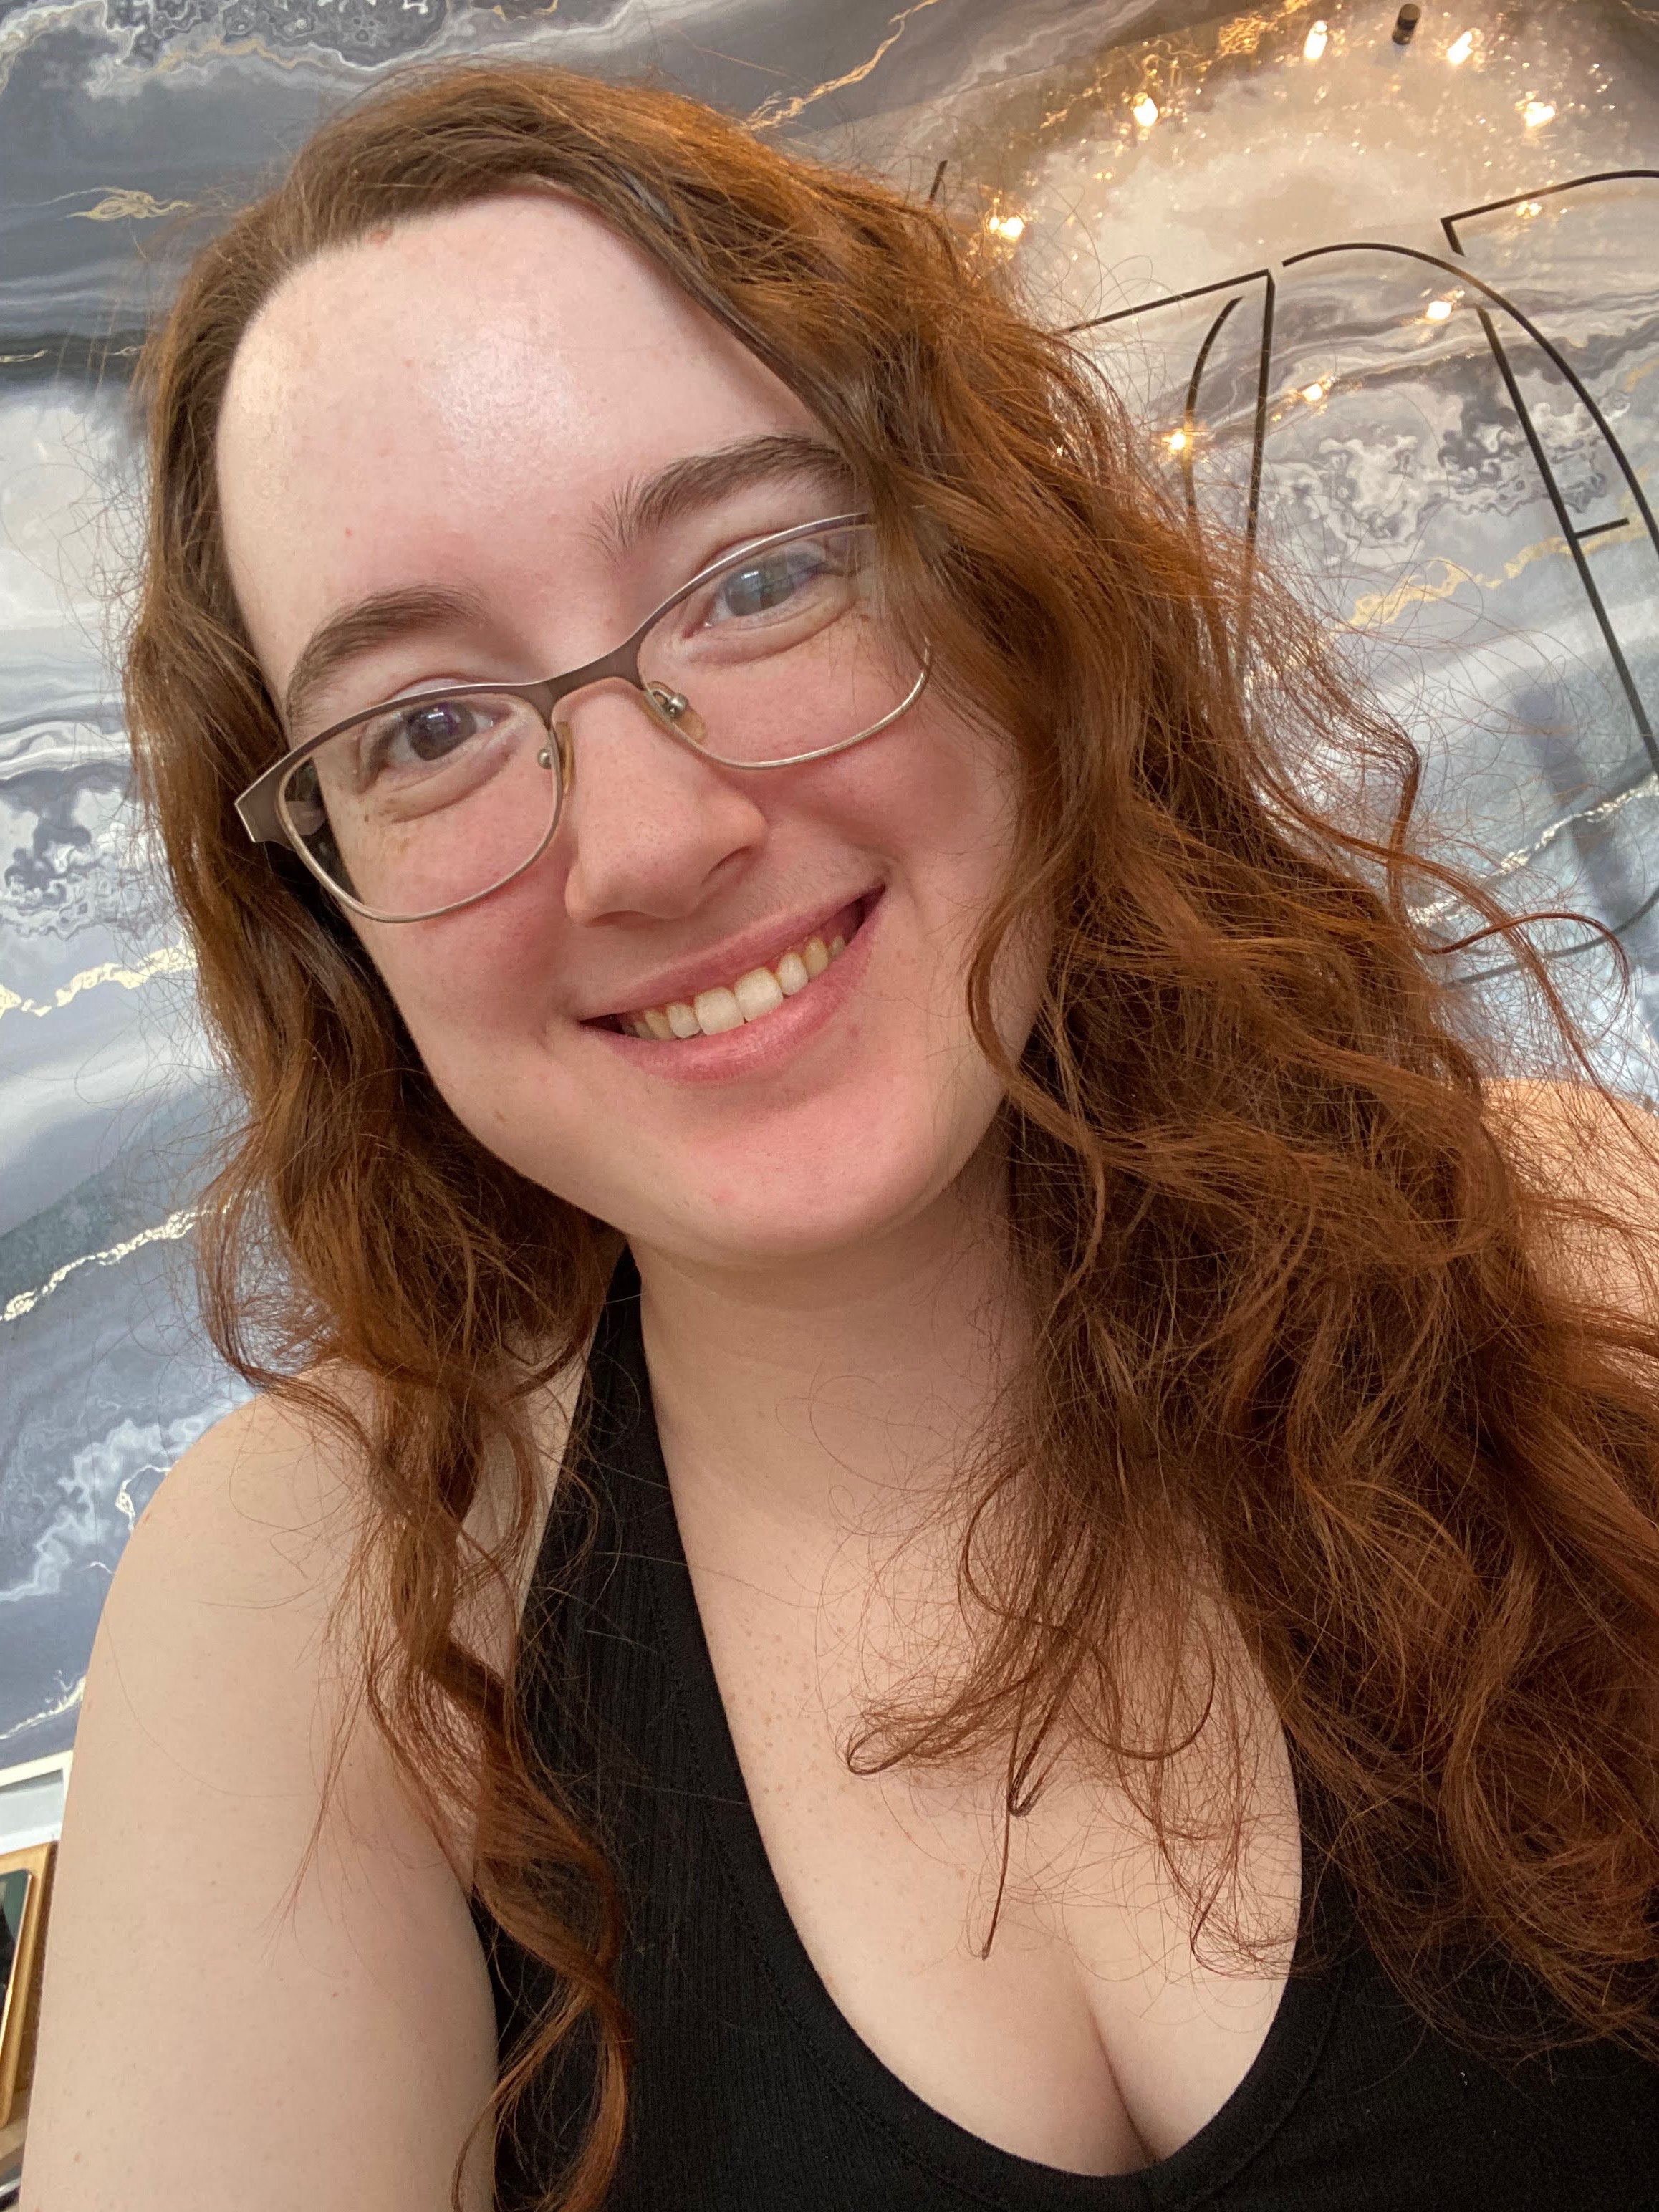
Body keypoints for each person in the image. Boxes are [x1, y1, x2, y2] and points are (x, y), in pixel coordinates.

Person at [21, 58, 1659, 2212]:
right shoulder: (312, 1606)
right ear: (325, 909)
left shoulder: (1582, 1267)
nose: (650, 840)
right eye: (425, 728)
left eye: (758, 578)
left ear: (1009, 591)